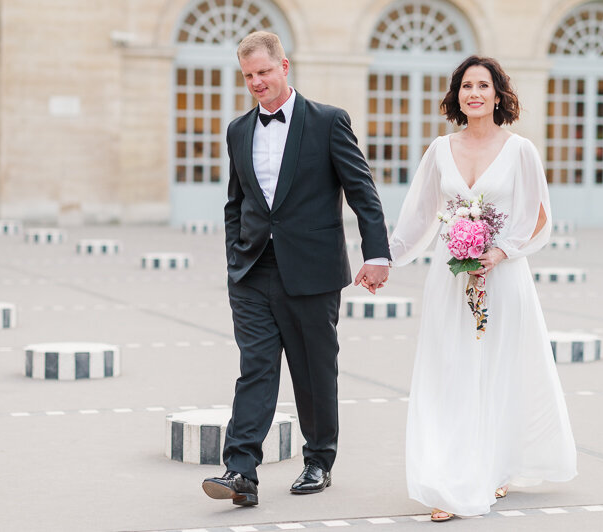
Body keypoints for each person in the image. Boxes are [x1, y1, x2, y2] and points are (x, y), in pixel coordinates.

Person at [201, 31, 391, 507]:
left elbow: (361, 190)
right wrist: (234, 257)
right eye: (248, 76)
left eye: (264, 72)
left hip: (312, 271)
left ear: (284, 67)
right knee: (256, 369)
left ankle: (318, 460)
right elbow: (236, 202)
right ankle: (240, 469)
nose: (257, 82)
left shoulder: (328, 121)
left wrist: (377, 254)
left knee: (313, 372)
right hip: (252, 273)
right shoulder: (238, 130)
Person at [388, 55, 577, 521]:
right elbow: (418, 215)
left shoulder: (521, 150)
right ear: (457, 96)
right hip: (450, 280)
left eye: (483, 86)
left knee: (497, 372)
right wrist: (383, 258)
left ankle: (492, 466)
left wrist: (501, 252)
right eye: (466, 86)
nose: (474, 93)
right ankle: (450, 478)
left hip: (504, 278)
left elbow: (538, 215)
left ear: (498, 94)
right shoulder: (439, 149)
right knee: (449, 373)